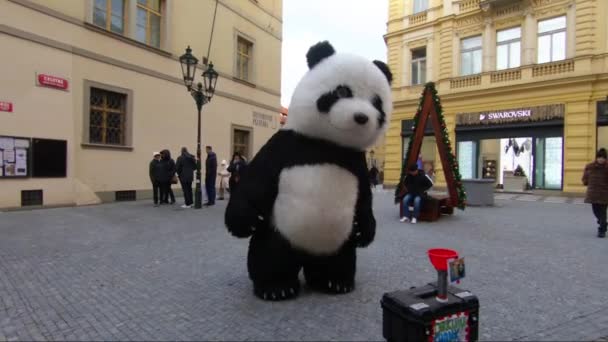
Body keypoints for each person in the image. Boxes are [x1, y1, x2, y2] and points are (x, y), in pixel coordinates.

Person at [582, 148, 608, 238]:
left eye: (603, 158)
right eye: (599, 157)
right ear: (596, 157)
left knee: (603, 212)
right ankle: (602, 222)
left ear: (606, 158)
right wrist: (585, 181)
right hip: (593, 193)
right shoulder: (590, 166)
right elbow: (585, 177)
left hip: (605, 193)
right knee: (596, 211)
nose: (601, 159)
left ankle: (602, 230)